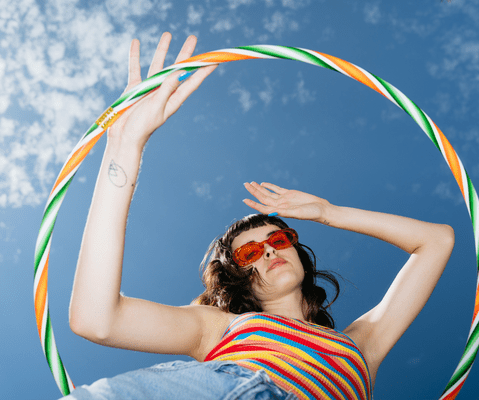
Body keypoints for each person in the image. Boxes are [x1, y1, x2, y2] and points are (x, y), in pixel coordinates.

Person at [62, 33, 455, 400]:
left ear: (298, 251)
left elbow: (437, 240)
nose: (268, 251)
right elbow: (96, 319)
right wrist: (125, 145)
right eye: (249, 254)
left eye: (278, 240)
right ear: (239, 279)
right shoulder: (217, 327)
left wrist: (329, 212)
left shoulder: (363, 345)